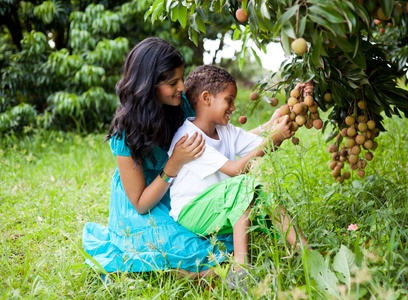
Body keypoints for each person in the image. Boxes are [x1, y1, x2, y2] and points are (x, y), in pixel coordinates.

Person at [82, 37, 282, 277]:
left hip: (182, 191)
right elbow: (141, 204)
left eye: (181, 78)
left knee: (227, 233)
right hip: (148, 200)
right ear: (148, 85)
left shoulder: (182, 105)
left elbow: (221, 142)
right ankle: (202, 276)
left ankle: (212, 272)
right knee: (181, 249)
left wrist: (270, 127)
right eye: (172, 82)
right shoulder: (126, 135)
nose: (182, 87)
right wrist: (174, 163)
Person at [167, 65, 308, 289]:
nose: (233, 107)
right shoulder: (189, 137)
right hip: (192, 212)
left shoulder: (225, 131)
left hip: (220, 206)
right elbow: (236, 170)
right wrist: (273, 137)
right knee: (242, 183)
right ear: (206, 98)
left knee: (264, 192)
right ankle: (241, 269)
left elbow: (262, 138)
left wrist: (288, 112)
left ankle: (307, 253)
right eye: (229, 100)